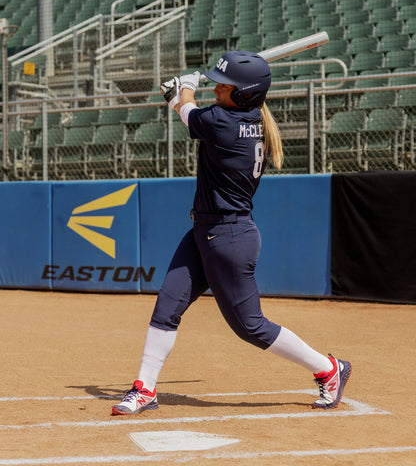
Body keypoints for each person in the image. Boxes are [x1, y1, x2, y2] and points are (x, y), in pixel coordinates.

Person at [112, 51, 351, 416]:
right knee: (167, 307)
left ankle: (329, 369)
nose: (219, 88)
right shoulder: (240, 118)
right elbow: (189, 112)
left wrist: (185, 89)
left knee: (250, 327)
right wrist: (178, 96)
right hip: (205, 231)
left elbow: (190, 113)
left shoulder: (225, 123)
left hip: (229, 238)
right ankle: (145, 389)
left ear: (245, 95)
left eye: (226, 86)